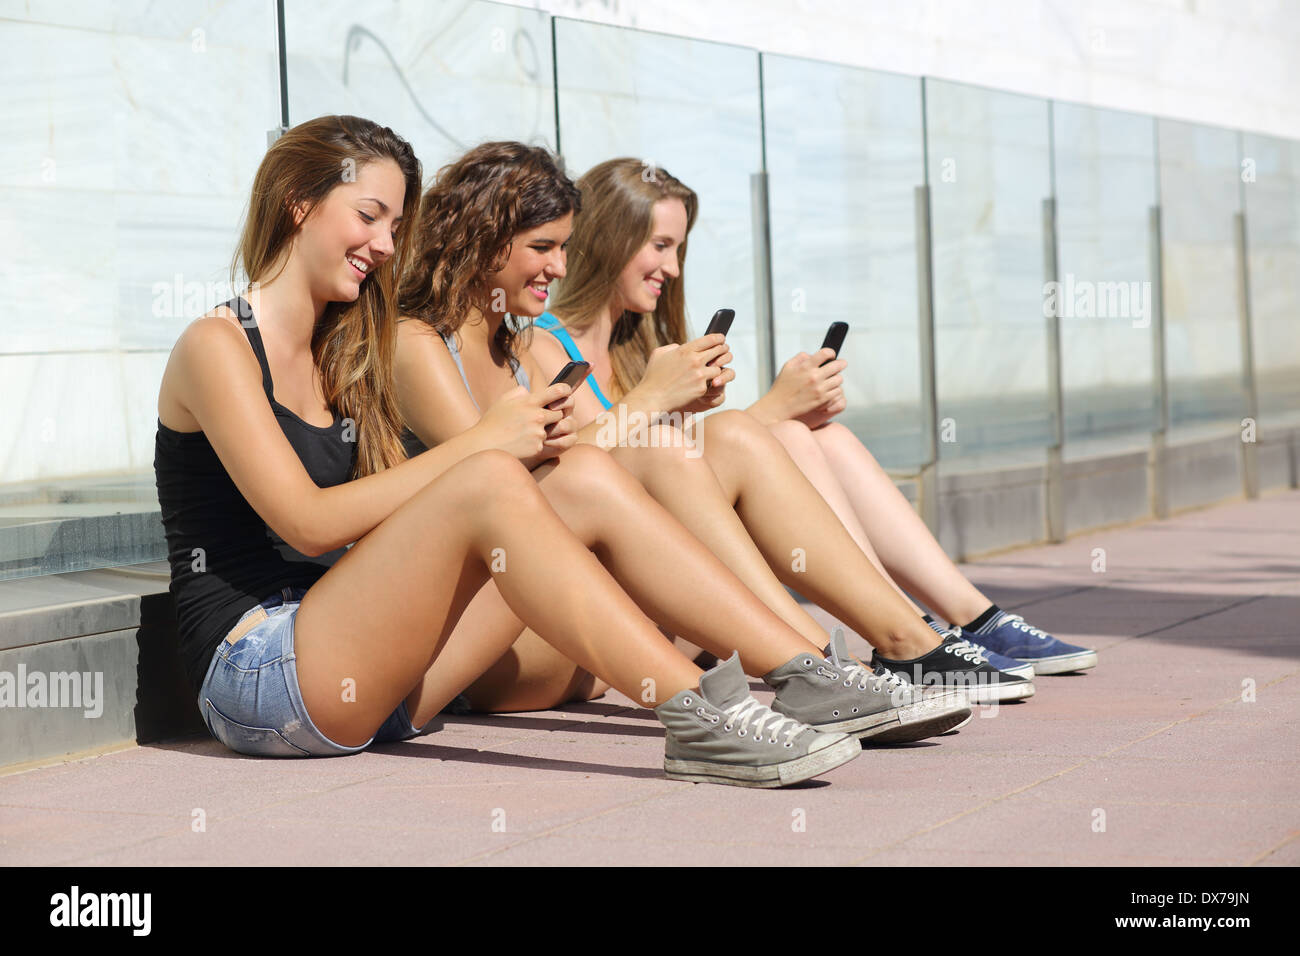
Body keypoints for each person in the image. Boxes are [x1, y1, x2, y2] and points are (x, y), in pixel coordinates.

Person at [152, 115, 864, 789]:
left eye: (396, 226)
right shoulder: (217, 345)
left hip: (379, 673)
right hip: (262, 675)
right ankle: (702, 718)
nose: (387, 245)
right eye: (368, 216)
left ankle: (807, 672)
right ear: (297, 204)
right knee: (490, 477)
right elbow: (304, 521)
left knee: (580, 474)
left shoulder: (344, 350)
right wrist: (481, 445)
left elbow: (391, 524)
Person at [395, 141, 1028, 715]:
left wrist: (671, 408)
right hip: (498, 646)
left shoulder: (517, 344)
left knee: (730, 436)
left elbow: (581, 464)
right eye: (543, 248)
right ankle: (825, 664)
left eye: (564, 247)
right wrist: (652, 403)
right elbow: (502, 484)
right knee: (680, 446)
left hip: (568, 619)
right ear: (479, 239)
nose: (558, 267)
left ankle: (884, 647)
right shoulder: (425, 344)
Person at [533, 157, 1097, 678]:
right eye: (659, 245)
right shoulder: (546, 344)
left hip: (675, 574)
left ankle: (959, 619)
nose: (672, 267)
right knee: (780, 432)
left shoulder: (639, 347)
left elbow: (685, 475)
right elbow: (588, 471)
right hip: (634, 591)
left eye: (678, 248)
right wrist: (757, 408)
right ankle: (900, 636)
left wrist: (733, 409)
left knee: (823, 436)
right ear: (610, 239)